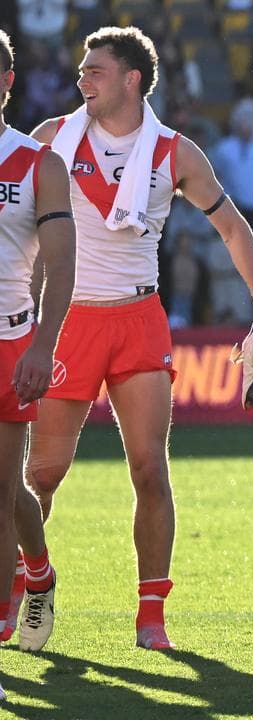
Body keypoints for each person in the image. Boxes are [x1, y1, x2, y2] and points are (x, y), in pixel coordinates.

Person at [25, 26, 253, 650]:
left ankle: (151, 616)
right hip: (66, 322)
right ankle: (30, 584)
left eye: (96, 70)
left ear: (132, 79)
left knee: (149, 470)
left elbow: (232, 229)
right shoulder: (50, 140)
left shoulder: (175, 153)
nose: (82, 78)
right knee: (41, 477)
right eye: (83, 70)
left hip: (138, 321)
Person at [0, 28, 76, 657]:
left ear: (7, 83)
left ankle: (10, 613)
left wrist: (42, 345)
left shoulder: (37, 164)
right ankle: (39, 571)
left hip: (9, 340)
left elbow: (60, 263)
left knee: (0, 492)